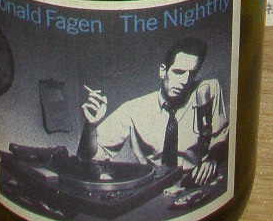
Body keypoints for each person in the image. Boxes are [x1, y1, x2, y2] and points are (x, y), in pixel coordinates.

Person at [77, 36, 228, 186]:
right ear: (163, 71)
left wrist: (213, 158)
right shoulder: (133, 109)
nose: (184, 81)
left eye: (192, 74)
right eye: (178, 72)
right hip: (154, 186)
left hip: (196, 182)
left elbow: (222, 137)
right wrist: (90, 126)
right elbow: (90, 156)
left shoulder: (208, 90)